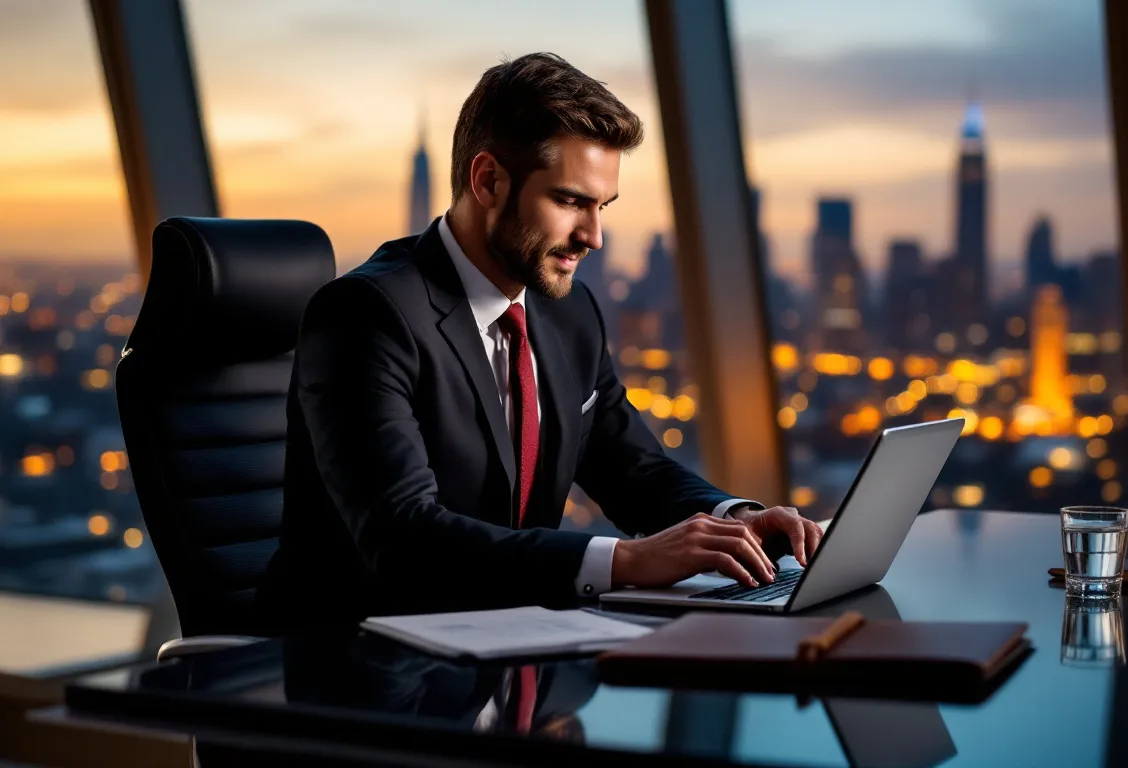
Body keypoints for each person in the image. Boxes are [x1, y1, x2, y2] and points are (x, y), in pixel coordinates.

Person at [261, 52, 821, 624]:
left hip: (519, 640)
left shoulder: (569, 312)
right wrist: (626, 560)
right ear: (488, 181)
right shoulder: (366, 315)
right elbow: (402, 537)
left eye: (602, 207)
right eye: (570, 201)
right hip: (366, 652)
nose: (593, 236)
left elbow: (632, 467)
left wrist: (734, 519)